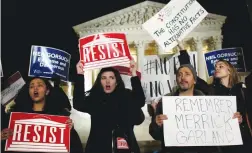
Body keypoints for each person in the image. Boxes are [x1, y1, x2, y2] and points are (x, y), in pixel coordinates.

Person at [178, 49, 252, 153]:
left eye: (220, 66)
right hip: (222, 143)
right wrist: (183, 52)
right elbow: (192, 75)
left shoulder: (241, 89)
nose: (216, 68)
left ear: (229, 70)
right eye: (215, 67)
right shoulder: (210, 90)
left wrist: (241, 118)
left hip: (244, 140)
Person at [73, 60, 145, 153]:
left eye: (111, 77)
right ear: (100, 81)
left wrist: (134, 74)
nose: (107, 81)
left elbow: (140, 101)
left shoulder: (125, 96)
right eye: (103, 78)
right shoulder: (95, 100)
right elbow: (78, 103)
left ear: (117, 81)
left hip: (125, 147)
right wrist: (80, 74)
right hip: (97, 148)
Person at [149, 64, 219, 153]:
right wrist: (156, 124)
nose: (182, 77)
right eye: (179, 75)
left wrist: (234, 120)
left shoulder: (207, 102)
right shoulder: (164, 102)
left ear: (194, 80)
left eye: (187, 74)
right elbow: (156, 135)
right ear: (177, 80)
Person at [2, 77, 83, 153]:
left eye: (39, 85)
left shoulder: (59, 118)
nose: (35, 88)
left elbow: (74, 147)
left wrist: (70, 131)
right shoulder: (15, 118)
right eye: (31, 86)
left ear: (47, 91)